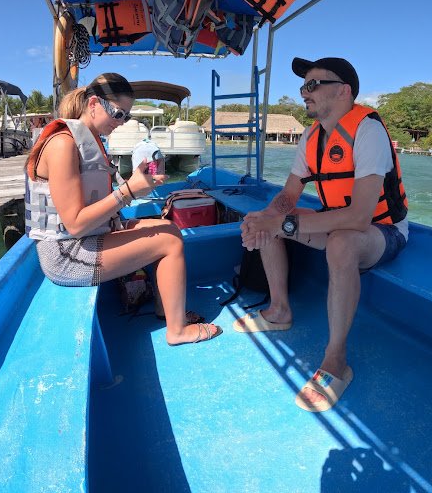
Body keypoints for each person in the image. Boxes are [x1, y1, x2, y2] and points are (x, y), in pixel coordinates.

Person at [234, 57, 408, 411]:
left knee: (341, 243)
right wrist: (264, 217)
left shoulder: (368, 130)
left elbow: (360, 217)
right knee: (274, 217)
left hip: (382, 231)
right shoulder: (311, 135)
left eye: (313, 85)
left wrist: (278, 224)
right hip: (339, 221)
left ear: (344, 91)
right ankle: (280, 311)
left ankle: (335, 359)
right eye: (303, 87)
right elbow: (288, 196)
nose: (304, 93)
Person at [25, 73, 221, 346]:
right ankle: (176, 331)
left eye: (126, 117)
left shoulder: (90, 140)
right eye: (118, 114)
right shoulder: (63, 144)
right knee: (170, 242)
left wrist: (134, 186)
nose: (121, 123)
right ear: (93, 104)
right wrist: (129, 190)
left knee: (168, 228)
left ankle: (166, 309)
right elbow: (75, 224)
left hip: (86, 239)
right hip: (66, 255)